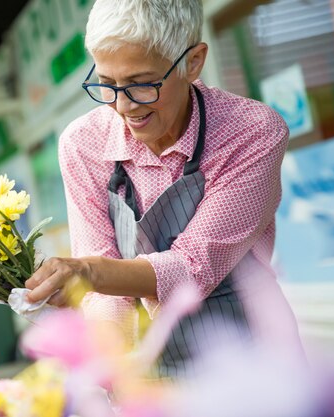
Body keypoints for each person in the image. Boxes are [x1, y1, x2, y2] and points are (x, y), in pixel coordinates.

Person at [25, 0, 303, 378]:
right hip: (149, 366)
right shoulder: (83, 144)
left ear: (193, 62)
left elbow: (192, 268)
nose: (123, 106)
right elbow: (102, 283)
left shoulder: (251, 132)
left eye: (141, 84)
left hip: (252, 356)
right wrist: (111, 362)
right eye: (107, 84)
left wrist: (89, 272)